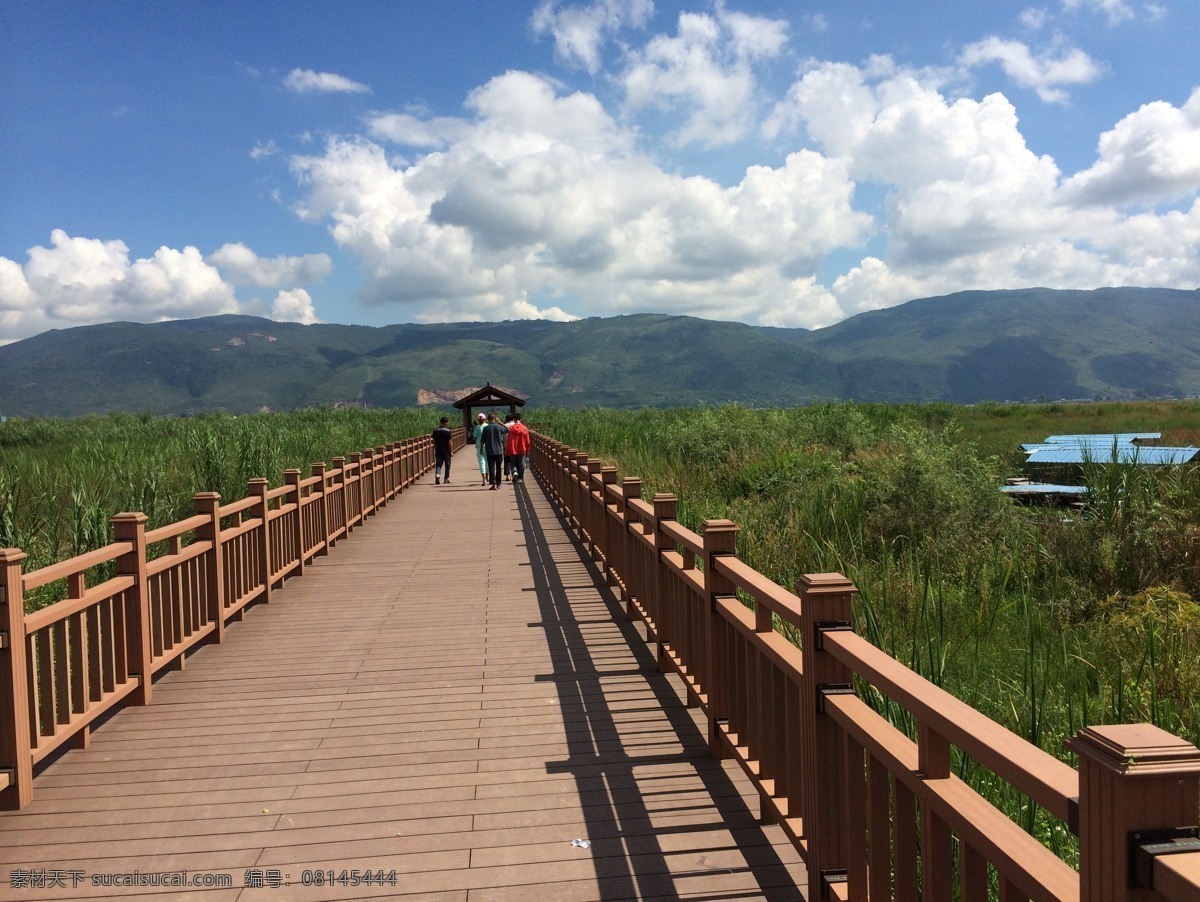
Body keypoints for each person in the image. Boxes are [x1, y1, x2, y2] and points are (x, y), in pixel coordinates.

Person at [480, 413, 508, 489]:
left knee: (491, 467)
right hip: (499, 451)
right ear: (494, 419)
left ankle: (494, 484)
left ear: (488, 419)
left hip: (490, 451)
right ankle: (499, 483)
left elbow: (482, 441)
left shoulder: (486, 428)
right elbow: (508, 430)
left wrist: (481, 449)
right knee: (499, 468)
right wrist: (501, 423)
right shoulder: (499, 427)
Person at [504, 412, 531, 483]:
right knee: (521, 464)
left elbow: (509, 441)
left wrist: (507, 450)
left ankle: (514, 472)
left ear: (514, 420)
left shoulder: (511, 429)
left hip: (513, 449)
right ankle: (520, 478)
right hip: (522, 449)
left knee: (513, 463)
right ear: (520, 419)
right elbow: (528, 442)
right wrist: (528, 450)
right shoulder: (524, 428)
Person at [431, 416, 453, 484]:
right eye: (447, 422)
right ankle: (446, 479)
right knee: (447, 465)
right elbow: (450, 442)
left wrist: (435, 448)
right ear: (445, 422)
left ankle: (437, 475)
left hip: (438, 450)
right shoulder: (448, 431)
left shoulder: (435, 431)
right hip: (446, 451)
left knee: (438, 464)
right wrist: (451, 451)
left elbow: (434, 441)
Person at [472, 412, 488, 485]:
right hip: (488, 447)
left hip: (479, 446)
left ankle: (484, 480)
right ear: (485, 419)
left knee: (482, 463)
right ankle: (487, 479)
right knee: (488, 463)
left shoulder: (477, 427)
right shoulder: (488, 426)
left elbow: (474, 437)